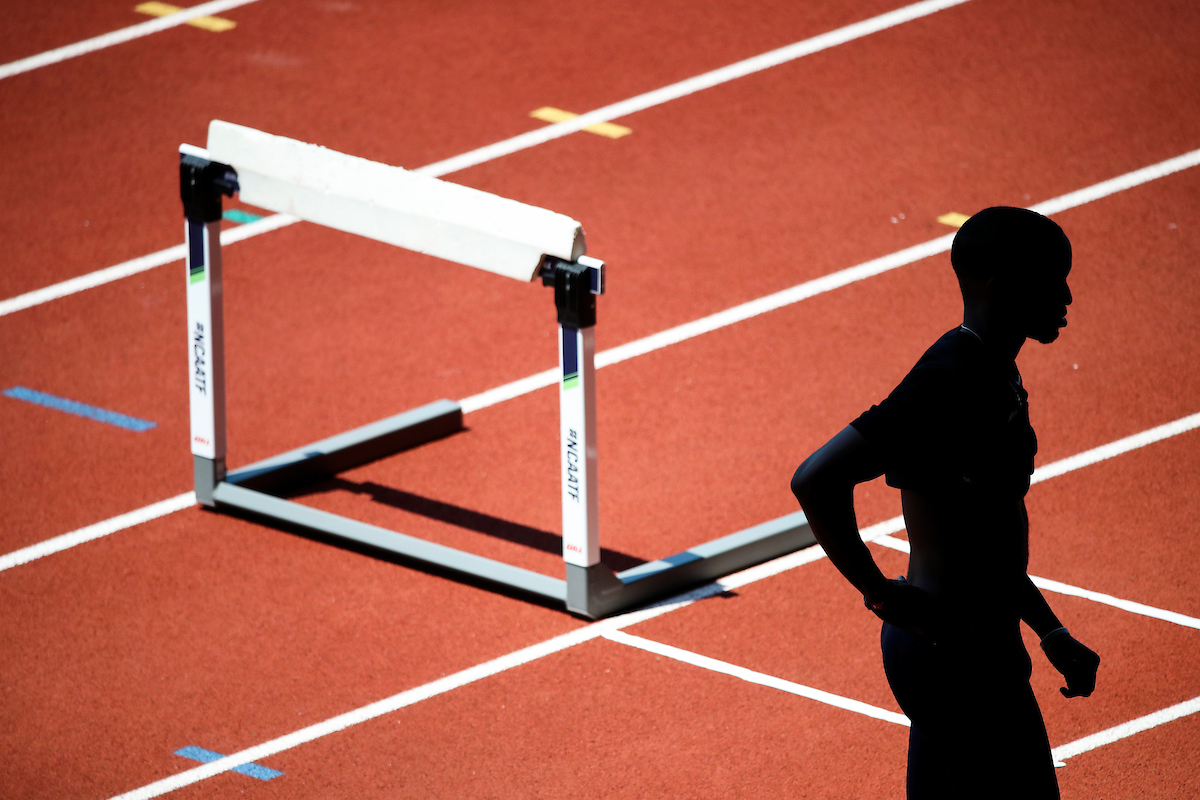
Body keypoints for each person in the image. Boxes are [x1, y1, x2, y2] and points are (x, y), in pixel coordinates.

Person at [790, 207, 1100, 799]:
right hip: (951, 652)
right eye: (1050, 277)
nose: (1065, 294)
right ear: (995, 281)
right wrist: (879, 591)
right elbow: (815, 479)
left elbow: (980, 540)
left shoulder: (991, 368)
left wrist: (1048, 628)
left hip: (974, 642)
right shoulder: (951, 380)